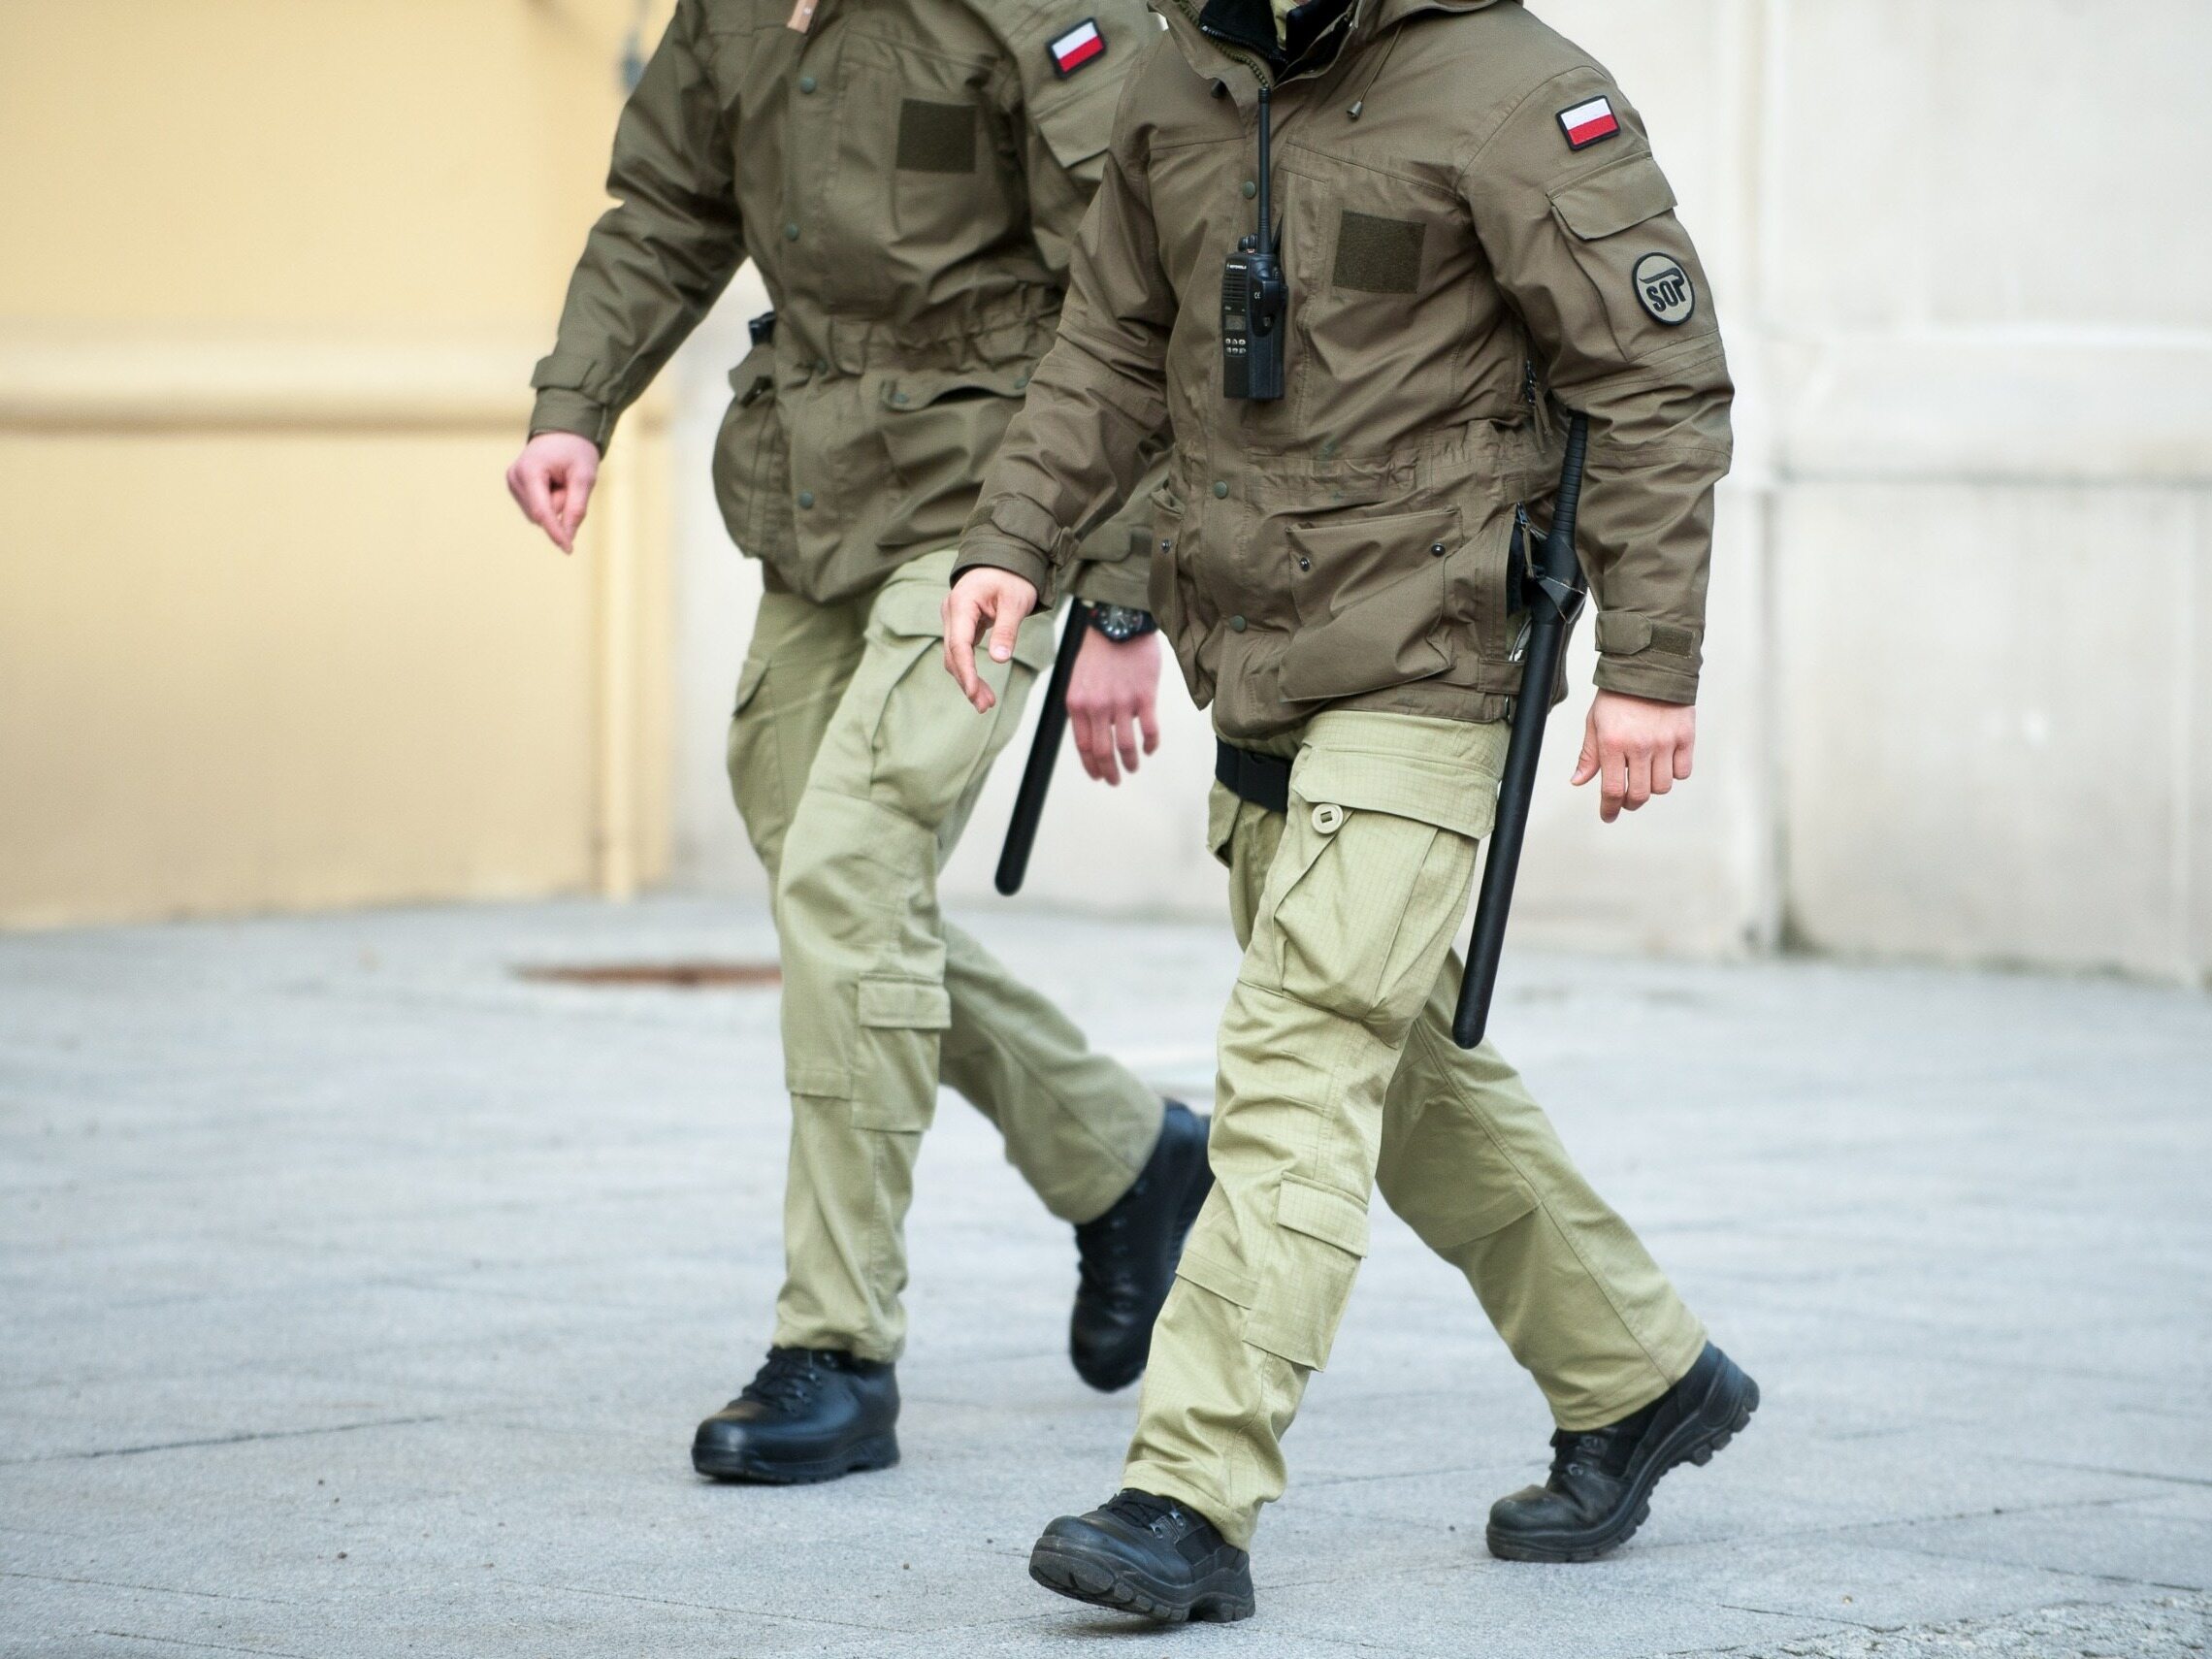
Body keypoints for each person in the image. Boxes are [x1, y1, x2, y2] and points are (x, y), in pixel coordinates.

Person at [943, 0, 1757, 1621]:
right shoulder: (1180, 79)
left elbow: (1658, 383)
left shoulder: (1520, 92)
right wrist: (1015, 539)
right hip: (1251, 646)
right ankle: (1641, 1370)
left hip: (1439, 655)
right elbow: (1109, 340)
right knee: (1399, 1073)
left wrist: (1649, 665)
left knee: (1303, 1046)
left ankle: (1188, 1492)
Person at [505, 0, 1214, 1488]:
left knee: (846, 878)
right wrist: (577, 401)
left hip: (1002, 506)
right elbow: (669, 208)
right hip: (815, 491)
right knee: (827, 886)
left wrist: (1124, 600)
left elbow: (1150, 286)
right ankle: (1126, 1154)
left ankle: (837, 1348)